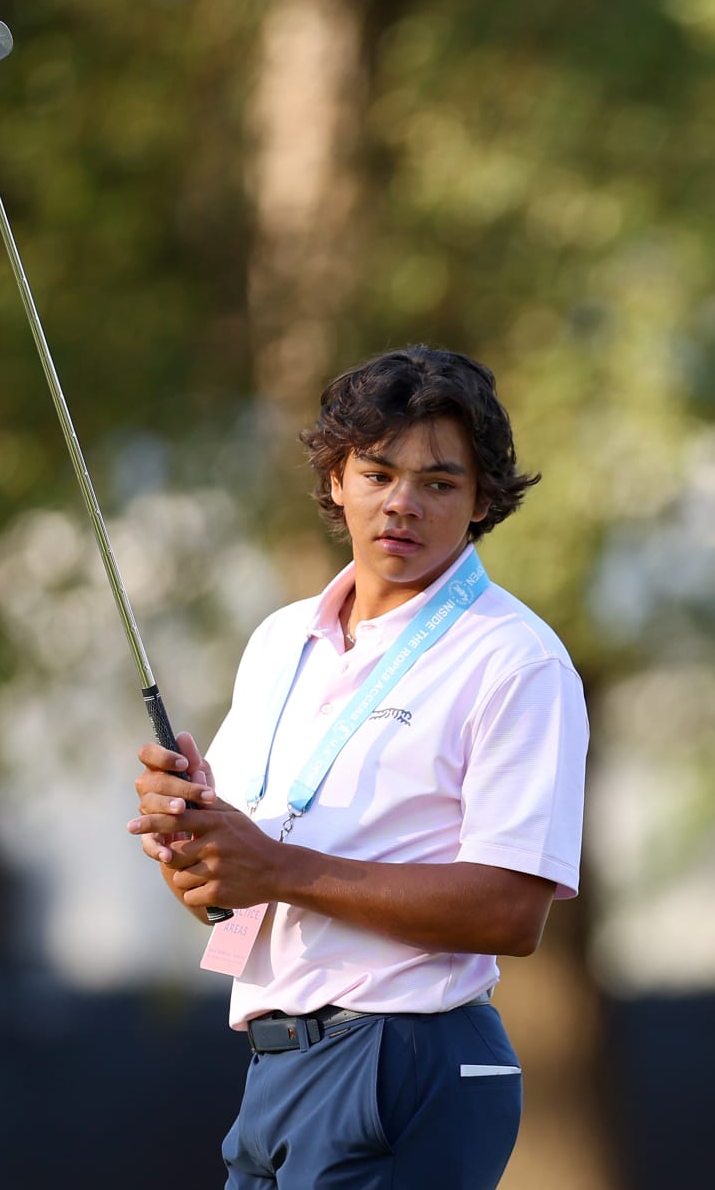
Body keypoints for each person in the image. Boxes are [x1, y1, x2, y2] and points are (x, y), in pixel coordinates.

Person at [128, 345, 587, 1188]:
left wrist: (279, 866)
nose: (402, 504)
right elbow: (225, 899)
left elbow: (512, 913)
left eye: (440, 483)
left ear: (483, 501)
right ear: (337, 478)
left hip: (408, 1054)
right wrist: (193, 842)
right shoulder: (279, 640)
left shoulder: (516, 659)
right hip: (276, 1066)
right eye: (377, 473)